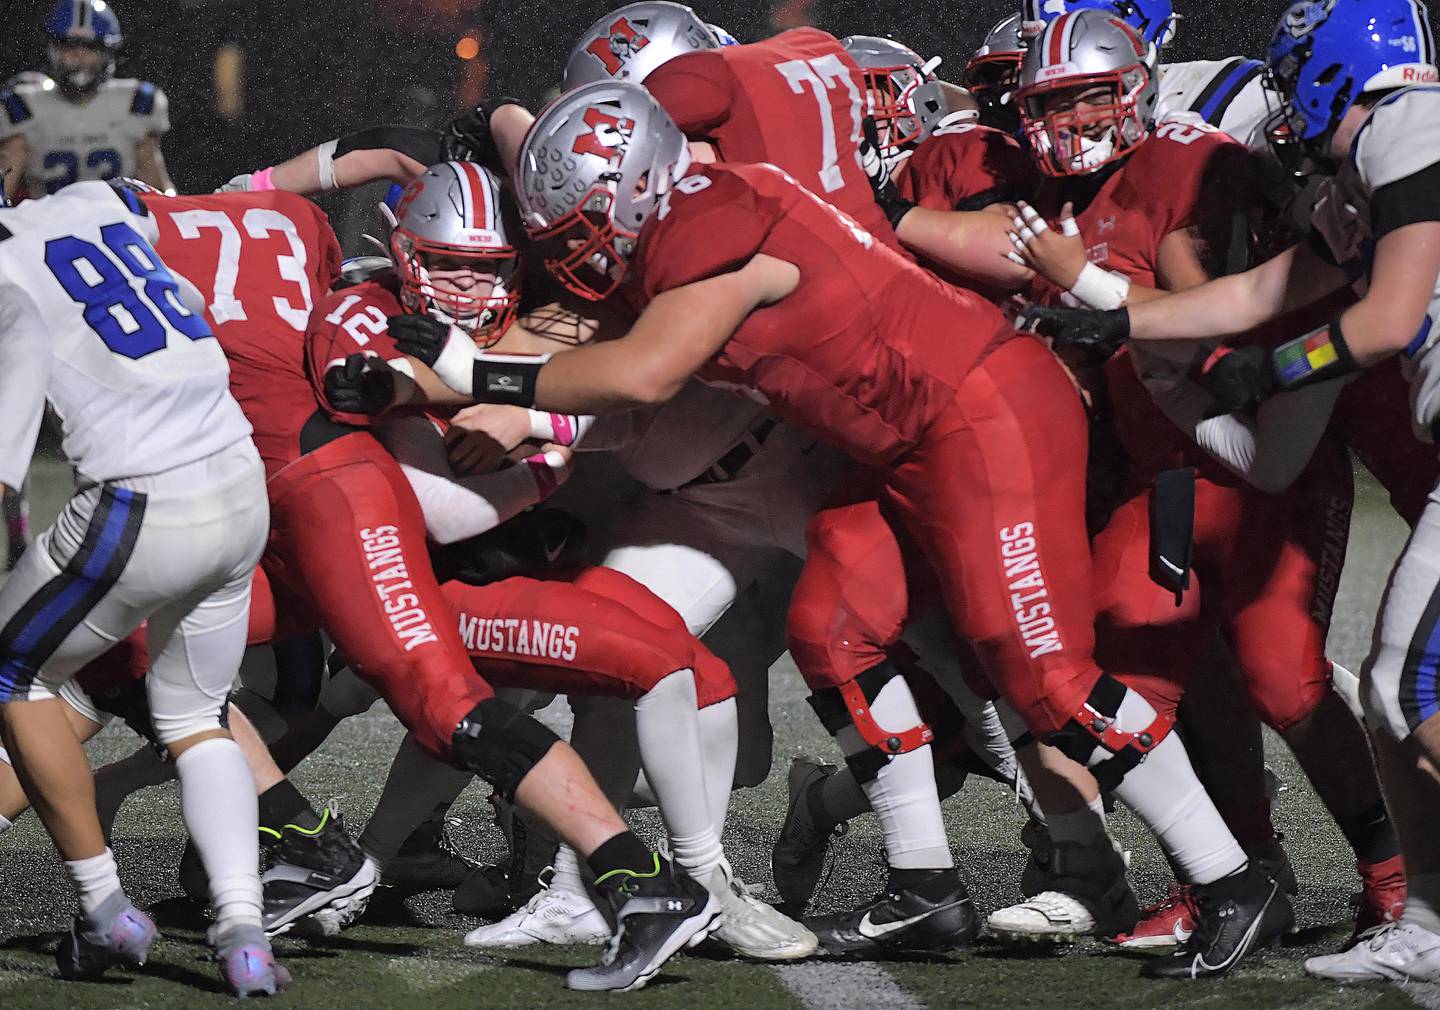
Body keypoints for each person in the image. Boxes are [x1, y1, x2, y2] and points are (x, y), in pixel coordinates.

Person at [356, 78, 1288, 978]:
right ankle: (926, 882)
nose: (576, 256)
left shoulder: (709, 231)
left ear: (633, 192)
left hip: (982, 417)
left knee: (1043, 678)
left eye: (584, 230)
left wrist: (483, 376)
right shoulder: (698, 196)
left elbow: (642, 372)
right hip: (910, 443)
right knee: (832, 626)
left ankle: (1232, 877)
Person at [1022, 0, 1440, 982]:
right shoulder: (1356, 172)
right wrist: (1103, 303)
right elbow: (1253, 296)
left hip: (1282, 461)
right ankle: (1421, 913)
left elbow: (1382, 320)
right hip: (1221, 464)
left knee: (1383, 681)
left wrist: (1274, 370)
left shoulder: (1409, 124)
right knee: (1388, 685)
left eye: (1298, 76)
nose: (1284, 101)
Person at [0, 180, 282, 995]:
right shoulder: (95, 200)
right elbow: (185, 280)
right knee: (197, 715)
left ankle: (102, 906)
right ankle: (244, 933)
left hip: (144, 499)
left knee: (15, 672)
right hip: (237, 474)